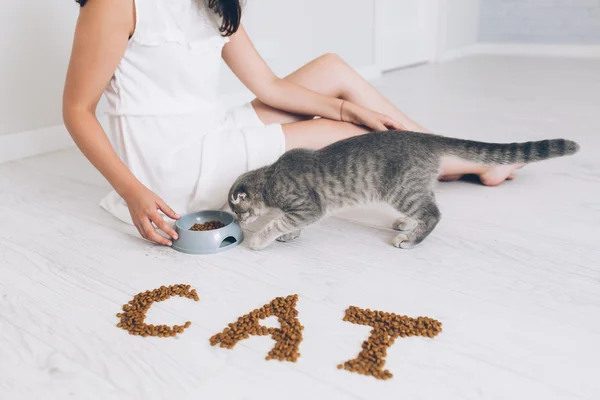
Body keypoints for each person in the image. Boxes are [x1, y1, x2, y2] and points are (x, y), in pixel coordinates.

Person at [63, 0, 521, 247]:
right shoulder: (114, 3)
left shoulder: (213, 3)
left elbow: (269, 86)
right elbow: (77, 110)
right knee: (349, 144)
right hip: (174, 162)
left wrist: (346, 107)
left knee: (333, 70)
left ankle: (446, 152)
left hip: (213, 128)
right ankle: (465, 163)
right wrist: (131, 191)